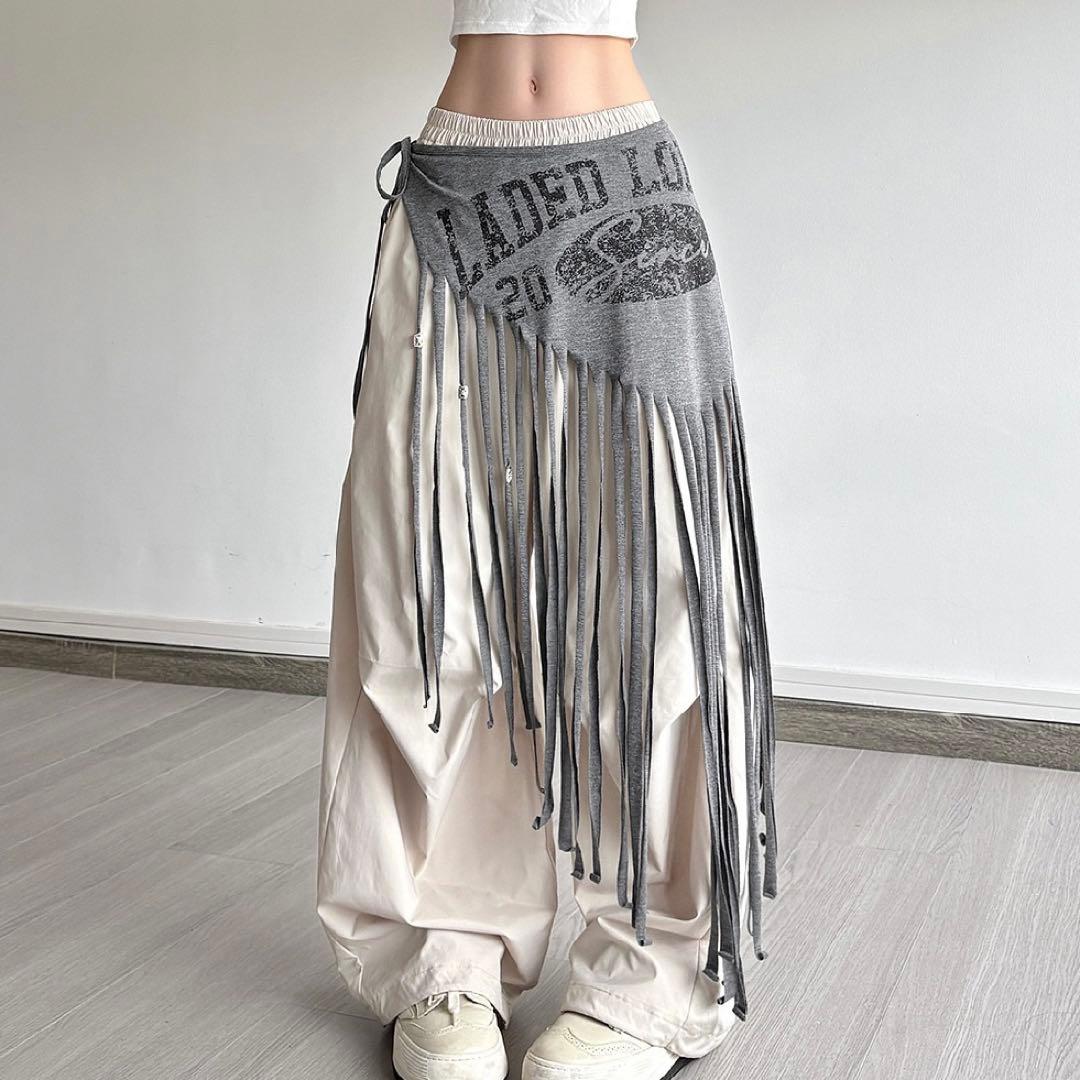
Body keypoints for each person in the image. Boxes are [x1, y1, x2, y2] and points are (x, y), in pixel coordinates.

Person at [316, 4, 779, 1079]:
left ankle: (652, 977)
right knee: (422, 592)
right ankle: (445, 953)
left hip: (625, 193)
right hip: (451, 196)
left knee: (653, 600)